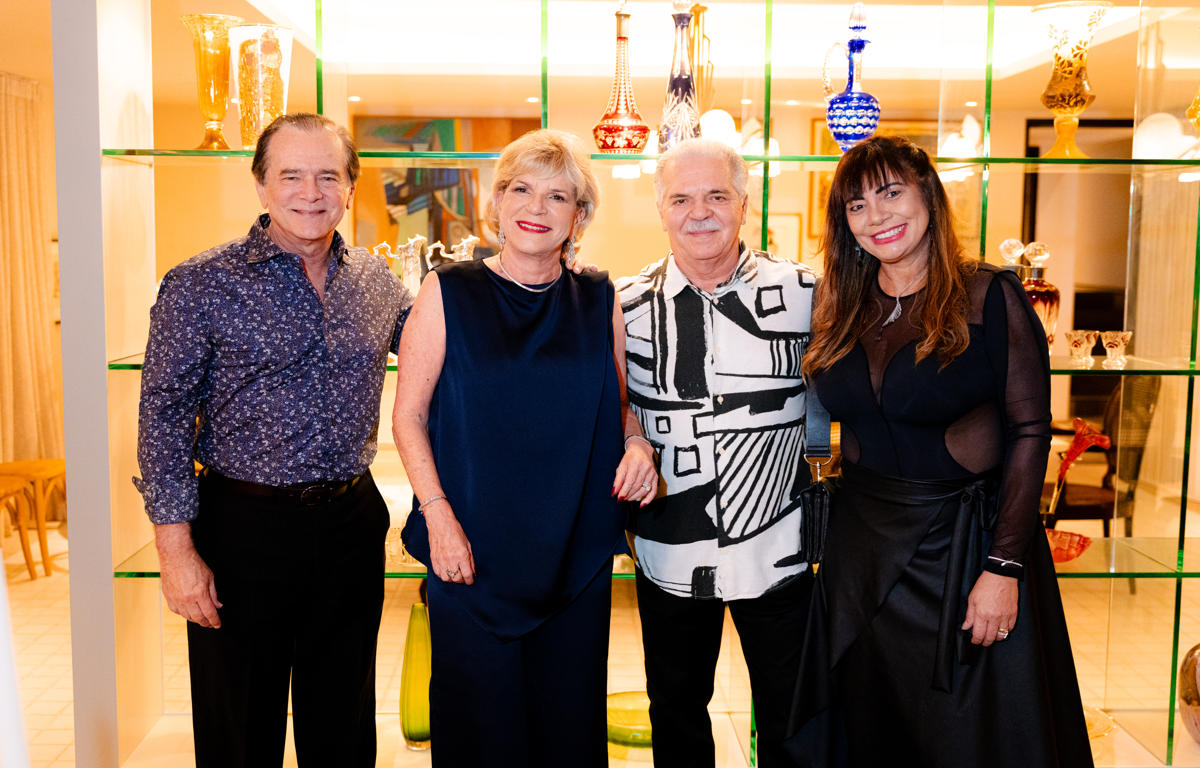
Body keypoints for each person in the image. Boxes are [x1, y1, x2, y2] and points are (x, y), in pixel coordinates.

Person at [785, 135, 1093, 767]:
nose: (877, 216)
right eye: (856, 206)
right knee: (871, 726)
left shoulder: (988, 295)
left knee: (964, 737)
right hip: (861, 558)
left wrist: (1004, 567)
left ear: (927, 195)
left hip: (964, 551)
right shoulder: (839, 302)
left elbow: (1030, 430)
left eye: (891, 193)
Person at [135, 113, 412, 768]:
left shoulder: (378, 283)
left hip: (350, 524)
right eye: (291, 176)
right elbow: (162, 418)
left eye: (328, 176)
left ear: (350, 187)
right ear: (260, 185)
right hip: (241, 528)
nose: (310, 193)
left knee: (343, 723)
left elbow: (449, 356)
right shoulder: (200, 283)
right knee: (239, 729)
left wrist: (548, 276)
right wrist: (176, 552)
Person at [393, 128, 658, 767]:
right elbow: (408, 417)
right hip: (471, 552)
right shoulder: (448, 291)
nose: (536, 208)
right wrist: (437, 516)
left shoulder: (599, 298)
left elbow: (619, 405)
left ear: (578, 216)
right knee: (479, 737)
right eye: (521, 190)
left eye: (557, 196)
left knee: (567, 736)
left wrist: (638, 445)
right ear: (498, 202)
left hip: (574, 556)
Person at [616, 138, 816, 768]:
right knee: (676, 711)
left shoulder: (807, 292)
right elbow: (610, 401)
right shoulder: (621, 303)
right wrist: (633, 436)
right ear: (660, 209)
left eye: (716, 196)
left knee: (794, 717)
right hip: (671, 547)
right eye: (681, 199)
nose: (699, 212)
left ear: (743, 204)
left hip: (779, 547)